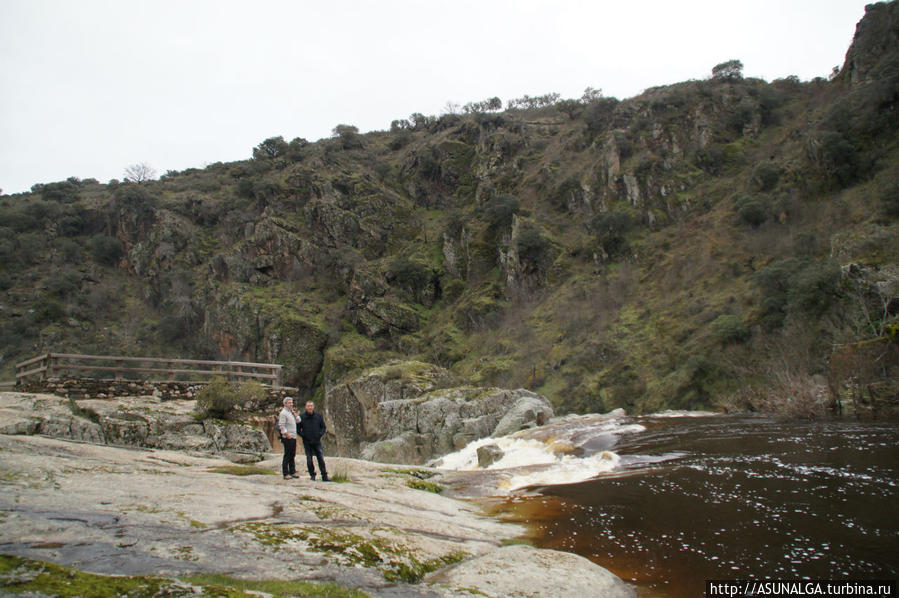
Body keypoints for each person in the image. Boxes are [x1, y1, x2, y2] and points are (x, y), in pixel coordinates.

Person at [299, 400, 329, 481]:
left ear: (313, 407)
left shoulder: (318, 416)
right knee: (309, 459)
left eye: (311, 406)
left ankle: (324, 476)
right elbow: (298, 429)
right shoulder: (301, 417)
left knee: (320, 458)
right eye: (308, 406)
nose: (310, 407)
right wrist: (304, 436)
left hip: (317, 440)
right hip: (307, 441)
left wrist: (319, 434)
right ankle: (312, 475)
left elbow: (323, 427)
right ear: (306, 407)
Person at [278, 396, 300, 480]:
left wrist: (294, 413)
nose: (291, 404)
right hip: (288, 437)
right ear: (285, 404)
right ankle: (285, 473)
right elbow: (281, 425)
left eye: (292, 402)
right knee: (287, 454)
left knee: (292, 454)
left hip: (293, 436)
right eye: (289, 403)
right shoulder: (283, 413)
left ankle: (292, 471)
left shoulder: (290, 412)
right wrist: (287, 434)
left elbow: (299, 420)